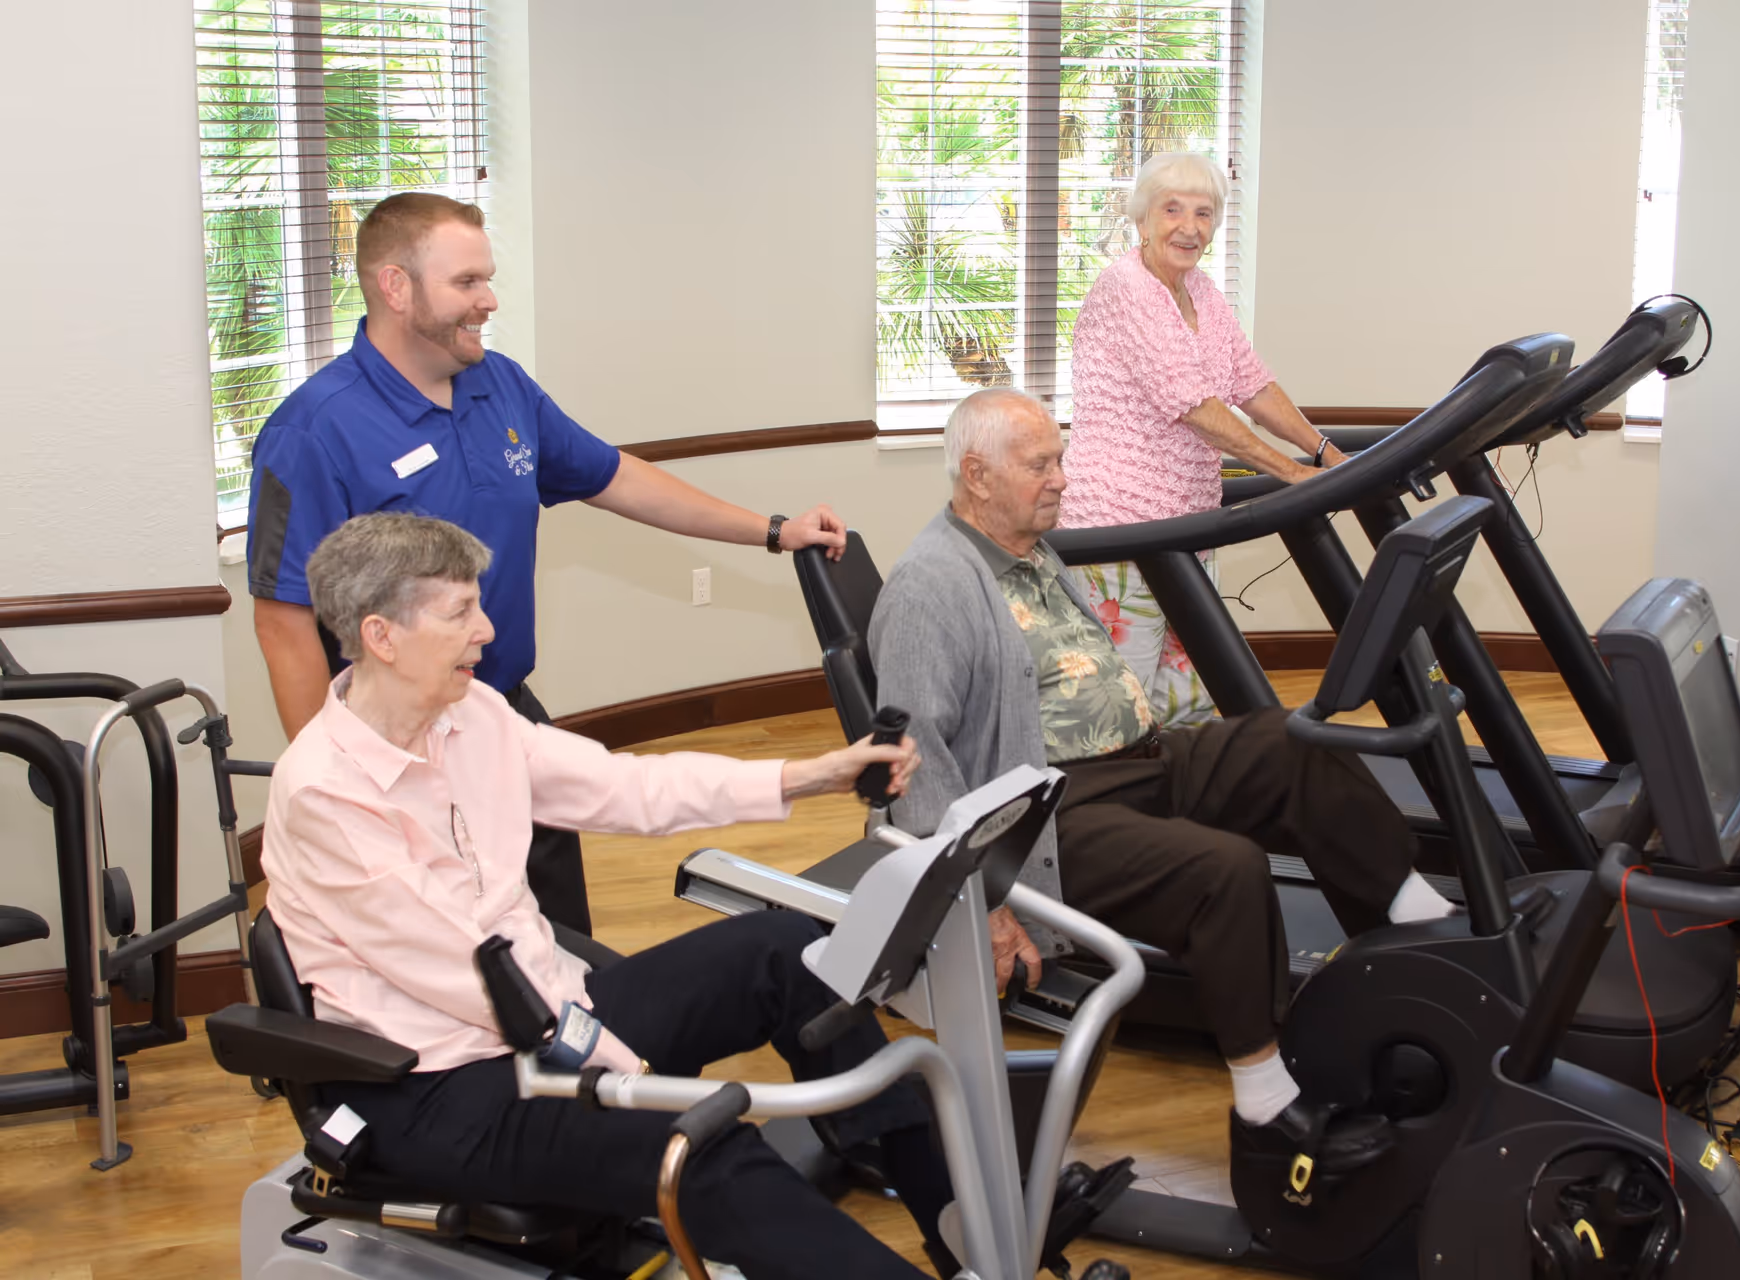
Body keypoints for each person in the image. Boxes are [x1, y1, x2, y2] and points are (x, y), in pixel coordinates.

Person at [262, 512, 949, 1280]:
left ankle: (944, 1213)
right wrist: (637, 1080)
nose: (487, 630)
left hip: (551, 1019)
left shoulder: (474, 714)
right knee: (702, 1150)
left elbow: (629, 788)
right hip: (440, 1088)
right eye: (460, 612)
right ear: (381, 636)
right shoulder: (324, 793)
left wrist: (812, 773)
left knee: (791, 953)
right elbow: (470, 979)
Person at [871, 389, 1460, 1177]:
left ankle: (1421, 946)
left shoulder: (1029, 550)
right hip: (1040, 814)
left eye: (1061, 460)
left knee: (1294, 747)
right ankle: (1264, 1105)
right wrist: (986, 898)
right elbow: (908, 763)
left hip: (1138, 762)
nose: (1062, 480)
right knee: (1223, 871)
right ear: (975, 476)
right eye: (1040, 464)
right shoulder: (929, 587)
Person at [246, 190, 846, 938]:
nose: (489, 300)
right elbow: (282, 619)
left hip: (498, 712)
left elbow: (616, 477)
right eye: (467, 282)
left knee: (560, 942)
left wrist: (771, 530)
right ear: (396, 287)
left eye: (487, 279)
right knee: (450, 956)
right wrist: (337, 783)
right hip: (394, 740)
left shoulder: (501, 386)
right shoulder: (309, 430)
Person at [1062, 151, 1347, 727]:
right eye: (1172, 210)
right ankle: (1094, 810)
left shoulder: (1203, 291)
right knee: (1122, 695)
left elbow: (1251, 383)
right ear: (1142, 220)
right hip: (1120, 528)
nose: (1189, 227)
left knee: (1188, 694)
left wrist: (1326, 454)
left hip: (1188, 524)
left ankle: (1174, 806)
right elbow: (1196, 406)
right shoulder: (1127, 288)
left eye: (1204, 213)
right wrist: (1293, 475)